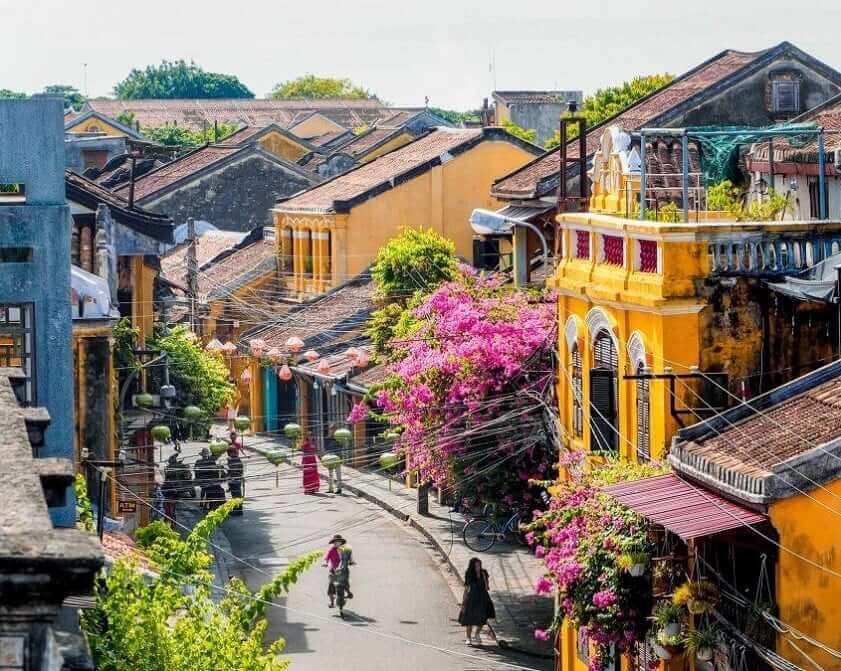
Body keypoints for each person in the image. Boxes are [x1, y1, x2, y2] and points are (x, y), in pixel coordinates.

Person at [458, 557, 501, 647]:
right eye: (476, 565)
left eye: (479, 565)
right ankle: (468, 638)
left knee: (482, 619)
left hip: (483, 598)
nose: (478, 567)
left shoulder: (483, 573)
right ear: (472, 566)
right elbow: (466, 589)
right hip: (472, 598)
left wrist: (485, 579)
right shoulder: (469, 574)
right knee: (469, 619)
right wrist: (464, 602)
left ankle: (477, 634)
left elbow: (487, 587)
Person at [324, 534, 354, 608]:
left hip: (343, 570)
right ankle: (331, 602)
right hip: (333, 570)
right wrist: (325, 563)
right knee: (331, 584)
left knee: (345, 581)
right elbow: (326, 558)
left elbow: (350, 557)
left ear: (341, 542)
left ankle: (348, 592)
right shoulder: (331, 550)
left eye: (338, 541)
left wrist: (351, 561)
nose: (336, 543)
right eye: (334, 542)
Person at [226, 447, 244, 516]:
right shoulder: (235, 459)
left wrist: (228, 475)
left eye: (229, 453)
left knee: (236, 496)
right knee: (236, 495)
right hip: (235, 480)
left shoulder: (234, 460)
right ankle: (237, 510)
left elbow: (232, 470)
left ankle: (238, 510)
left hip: (235, 479)